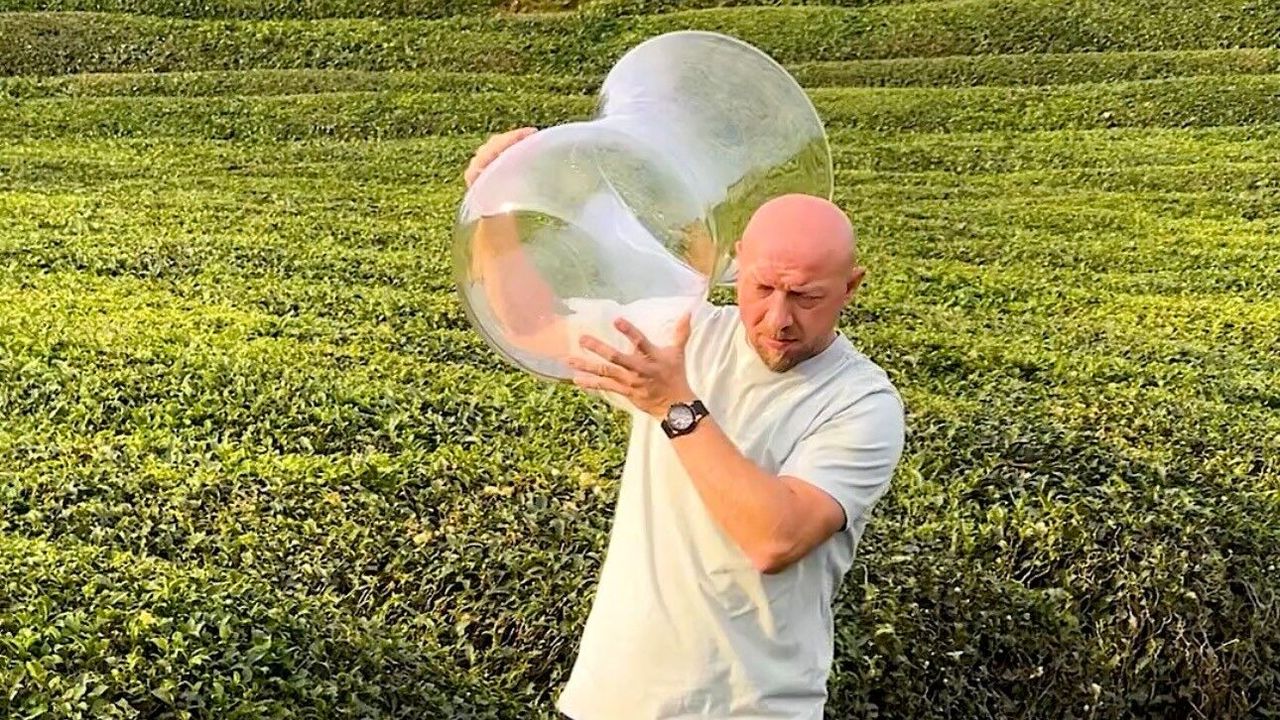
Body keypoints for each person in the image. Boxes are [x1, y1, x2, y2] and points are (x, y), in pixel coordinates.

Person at [463, 127, 906, 719]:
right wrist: (497, 204)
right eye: (763, 288)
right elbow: (530, 324)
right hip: (610, 700)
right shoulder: (683, 335)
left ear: (851, 287)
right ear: (737, 264)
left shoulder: (861, 403)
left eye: (806, 297)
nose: (778, 318)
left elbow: (774, 539)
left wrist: (675, 405)